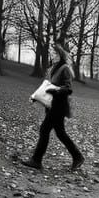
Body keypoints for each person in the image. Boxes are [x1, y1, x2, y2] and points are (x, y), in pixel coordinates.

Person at [23, 42, 84, 171]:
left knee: (44, 130)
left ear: (60, 54)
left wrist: (55, 91)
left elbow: (68, 89)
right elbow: (46, 87)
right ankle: (77, 157)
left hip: (59, 107)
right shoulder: (53, 68)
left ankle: (36, 160)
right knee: (60, 133)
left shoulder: (64, 68)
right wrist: (35, 97)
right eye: (51, 53)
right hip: (52, 106)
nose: (52, 55)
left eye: (54, 53)